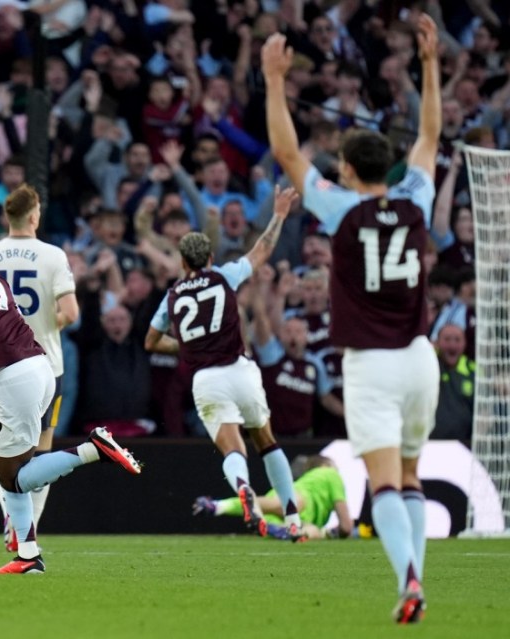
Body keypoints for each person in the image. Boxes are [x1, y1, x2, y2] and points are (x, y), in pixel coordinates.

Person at [261, 14, 441, 624]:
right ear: (389, 168)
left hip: (371, 363)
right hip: (421, 359)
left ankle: (409, 577)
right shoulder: (415, 199)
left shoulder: (339, 210)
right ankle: (415, 576)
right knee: (411, 476)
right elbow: (430, 139)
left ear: (345, 170)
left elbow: (286, 152)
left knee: (385, 484)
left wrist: (272, 79)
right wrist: (432, 64)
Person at [0, 217, 141, 575]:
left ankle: (92, 449)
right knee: (9, 467)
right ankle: (28, 555)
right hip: (39, 369)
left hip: (13, 377)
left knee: (12, 476)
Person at [144, 186, 308, 543]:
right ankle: (292, 514)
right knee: (266, 441)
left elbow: (150, 341)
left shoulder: (171, 296)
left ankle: (244, 487)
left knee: (232, 447)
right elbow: (262, 249)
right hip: (241, 370)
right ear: (211, 257)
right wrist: (278, 213)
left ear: (183, 262)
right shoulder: (224, 275)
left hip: (206, 380)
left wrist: (185, 345)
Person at [0, 184, 79, 551]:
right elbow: (70, 312)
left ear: (7, 216)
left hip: (4, 365)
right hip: (48, 367)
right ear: (35, 215)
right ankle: (29, 525)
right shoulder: (52, 255)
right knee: (39, 454)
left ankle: (12, 516)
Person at [194, 455, 354, 541]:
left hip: (278, 517)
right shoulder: (330, 473)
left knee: (306, 526)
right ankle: (296, 533)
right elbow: (346, 526)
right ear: (326, 464)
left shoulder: (310, 479)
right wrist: (333, 533)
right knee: (301, 516)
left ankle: (218, 506)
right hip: (298, 502)